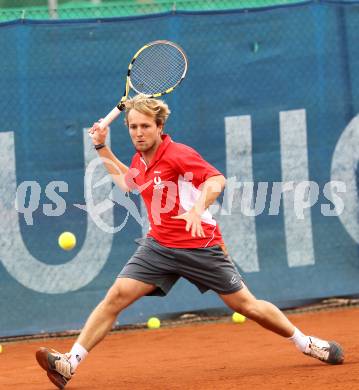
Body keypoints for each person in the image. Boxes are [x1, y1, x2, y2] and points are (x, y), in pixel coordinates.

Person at [36, 95, 344, 389]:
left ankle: (306, 343)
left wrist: (197, 208)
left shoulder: (179, 154)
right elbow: (129, 183)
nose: (139, 133)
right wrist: (102, 146)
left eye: (146, 126)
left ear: (159, 127)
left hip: (199, 245)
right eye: (133, 127)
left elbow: (216, 180)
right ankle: (69, 363)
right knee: (115, 297)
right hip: (158, 245)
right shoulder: (140, 159)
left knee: (248, 306)